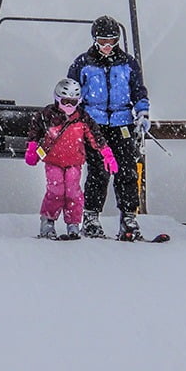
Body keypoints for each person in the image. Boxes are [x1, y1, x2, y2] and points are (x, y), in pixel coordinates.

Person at [67, 15, 150, 241]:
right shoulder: (83, 64)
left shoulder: (127, 64)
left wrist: (142, 112)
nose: (107, 46)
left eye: (112, 41)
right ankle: (91, 217)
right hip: (94, 124)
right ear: (95, 40)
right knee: (98, 172)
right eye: (103, 41)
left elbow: (138, 90)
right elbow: (71, 93)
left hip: (122, 123)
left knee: (126, 171)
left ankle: (128, 217)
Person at [25, 78, 117, 240]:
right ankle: (48, 221)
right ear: (57, 99)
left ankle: (73, 223)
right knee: (56, 190)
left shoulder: (82, 118)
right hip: (53, 160)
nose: (69, 106)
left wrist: (107, 154)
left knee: (73, 192)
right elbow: (35, 131)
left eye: (73, 102)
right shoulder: (47, 115)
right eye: (65, 101)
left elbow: (95, 136)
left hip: (74, 162)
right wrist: (32, 148)